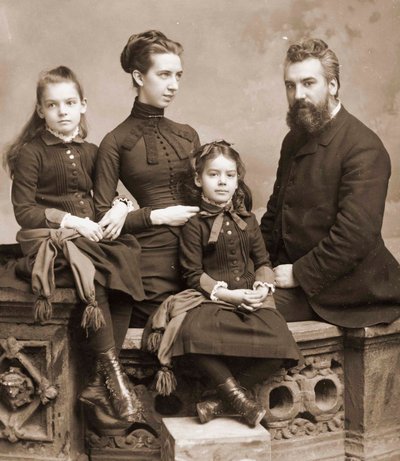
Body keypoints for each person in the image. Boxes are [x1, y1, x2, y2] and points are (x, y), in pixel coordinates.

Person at [3, 66, 146, 431]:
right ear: (41, 111)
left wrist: (119, 207)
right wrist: (70, 221)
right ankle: (115, 380)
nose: (62, 111)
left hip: (90, 237)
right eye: (53, 105)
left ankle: (99, 384)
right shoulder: (30, 154)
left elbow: (105, 197)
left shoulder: (93, 151)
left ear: (83, 105)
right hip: (50, 241)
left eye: (69, 103)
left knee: (127, 262)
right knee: (94, 272)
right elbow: (25, 212)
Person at [145, 141, 303, 428]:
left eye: (229, 175)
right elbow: (192, 273)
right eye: (213, 174)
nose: (222, 182)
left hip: (250, 299)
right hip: (213, 299)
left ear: (237, 180)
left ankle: (218, 403)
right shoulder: (195, 224)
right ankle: (240, 400)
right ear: (198, 179)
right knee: (190, 335)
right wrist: (227, 295)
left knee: (283, 343)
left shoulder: (248, 220)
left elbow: (263, 261)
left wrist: (261, 288)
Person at [260, 38, 400, 328]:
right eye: (290, 85)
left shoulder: (363, 147)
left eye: (308, 83)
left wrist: (299, 274)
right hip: (290, 276)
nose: (298, 95)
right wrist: (256, 265)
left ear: (333, 85)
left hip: (346, 290)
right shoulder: (294, 140)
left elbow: (355, 237)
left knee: (240, 315)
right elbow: (275, 213)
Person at [93, 30, 200, 328]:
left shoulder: (188, 134)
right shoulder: (115, 141)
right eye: (164, 75)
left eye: (178, 75)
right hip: (152, 263)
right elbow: (103, 221)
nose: (174, 85)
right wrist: (157, 216)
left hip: (199, 253)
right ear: (139, 77)